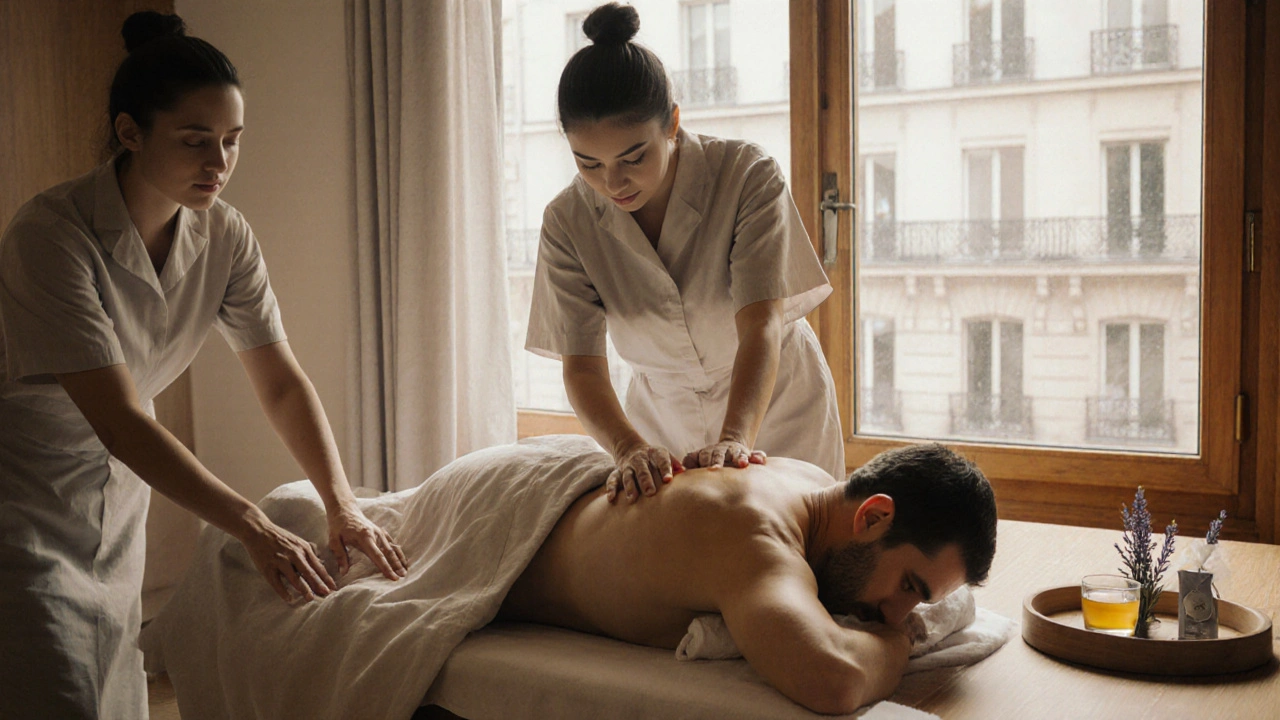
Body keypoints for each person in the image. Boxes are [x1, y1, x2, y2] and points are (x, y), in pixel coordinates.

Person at [0, 12, 408, 718]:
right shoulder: (50, 236)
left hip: (119, 502)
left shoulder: (225, 235)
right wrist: (252, 525)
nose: (217, 164)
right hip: (25, 498)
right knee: (56, 689)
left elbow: (279, 381)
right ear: (130, 132)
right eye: (194, 142)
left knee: (113, 696)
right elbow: (122, 420)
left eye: (230, 142)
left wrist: (341, 503)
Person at [526, 2, 844, 503]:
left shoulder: (745, 175)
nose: (613, 183)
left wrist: (737, 439)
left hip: (775, 399)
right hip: (657, 415)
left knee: (798, 548)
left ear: (672, 123)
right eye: (588, 163)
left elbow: (761, 323)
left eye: (634, 157)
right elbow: (583, 366)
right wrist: (629, 447)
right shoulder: (567, 221)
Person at [500, 443, 998, 714]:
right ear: (872, 517)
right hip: (505, 512)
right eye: (908, 586)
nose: (896, 613)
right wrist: (898, 642)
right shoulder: (756, 536)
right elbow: (835, 679)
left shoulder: (808, 483)